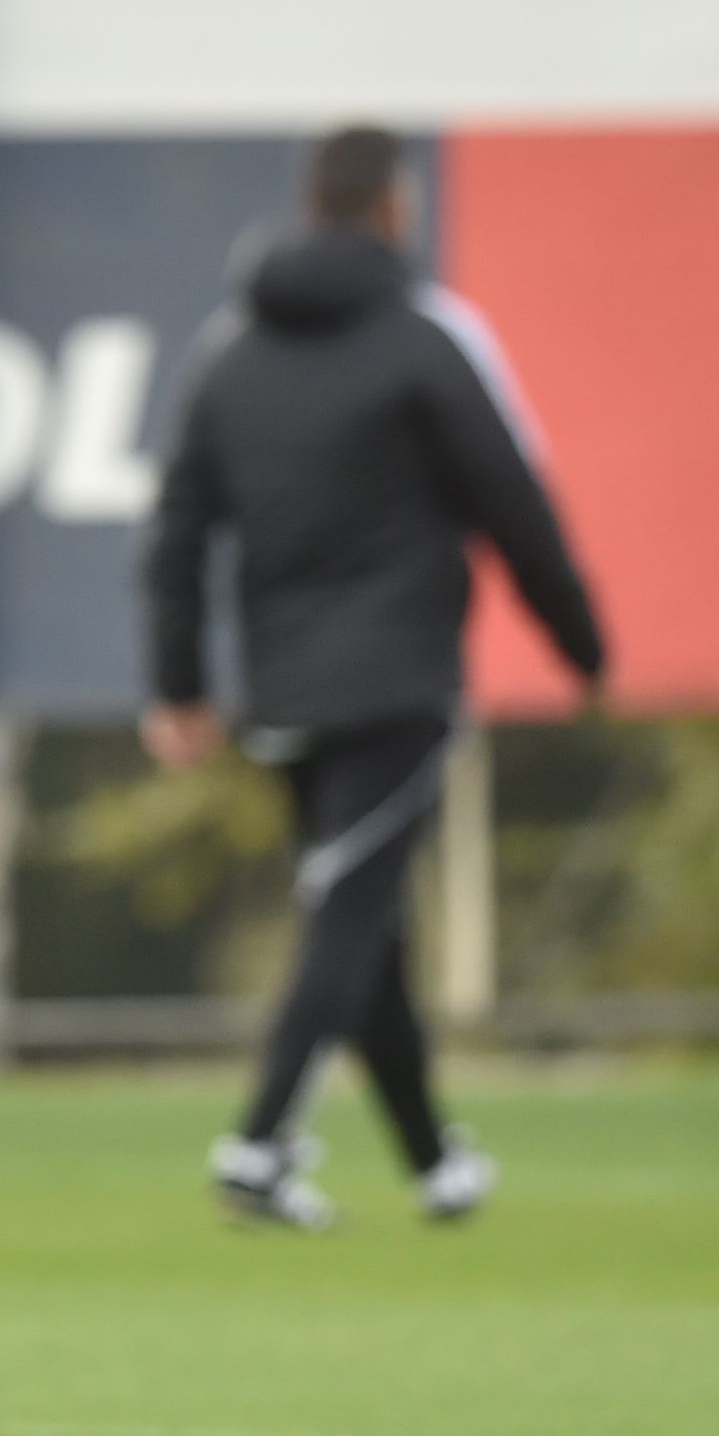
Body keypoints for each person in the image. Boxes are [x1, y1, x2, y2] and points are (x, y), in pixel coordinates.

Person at [140, 125, 603, 1230]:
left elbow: (173, 530)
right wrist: (577, 640)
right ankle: (257, 1143)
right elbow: (511, 499)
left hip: (284, 688)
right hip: (396, 681)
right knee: (349, 912)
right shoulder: (425, 337)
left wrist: (179, 682)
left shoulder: (227, 350)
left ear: (310, 203)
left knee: (362, 918)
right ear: (391, 208)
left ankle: (434, 1160)